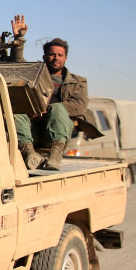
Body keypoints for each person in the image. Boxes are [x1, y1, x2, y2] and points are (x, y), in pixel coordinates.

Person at [15, 37, 88, 171]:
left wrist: (46, 111)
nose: (56, 58)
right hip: (33, 131)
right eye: (52, 54)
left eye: (60, 55)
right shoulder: (34, 75)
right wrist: (18, 40)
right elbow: (18, 64)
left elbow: (80, 106)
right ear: (44, 57)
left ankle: (55, 154)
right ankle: (30, 154)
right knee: (16, 111)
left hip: (57, 134)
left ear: (65, 58)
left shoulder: (78, 82)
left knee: (58, 108)